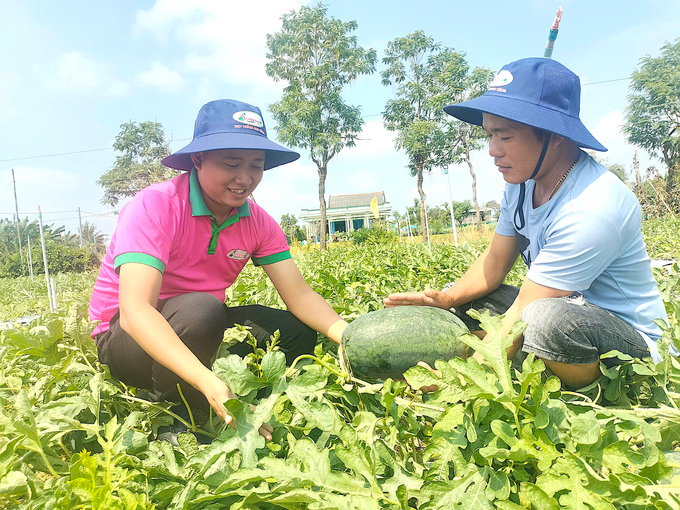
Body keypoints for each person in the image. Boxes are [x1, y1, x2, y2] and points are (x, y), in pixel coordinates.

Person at [385, 58, 670, 389]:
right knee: (474, 301)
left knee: (542, 321)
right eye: (489, 135)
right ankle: (517, 362)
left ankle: (594, 391)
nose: (492, 150)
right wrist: (448, 299)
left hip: (633, 343)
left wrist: (458, 382)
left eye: (505, 136)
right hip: (563, 307)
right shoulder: (522, 184)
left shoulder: (592, 207)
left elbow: (525, 308)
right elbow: (493, 264)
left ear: (553, 134)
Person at [89, 99, 348, 442]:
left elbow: (299, 294)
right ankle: (180, 412)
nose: (245, 178)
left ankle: (222, 383)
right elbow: (136, 312)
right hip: (125, 338)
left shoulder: (258, 221)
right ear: (197, 160)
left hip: (198, 324)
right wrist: (206, 379)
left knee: (295, 330)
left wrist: (351, 337)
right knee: (202, 311)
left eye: (256, 165)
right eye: (231, 164)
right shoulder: (156, 206)